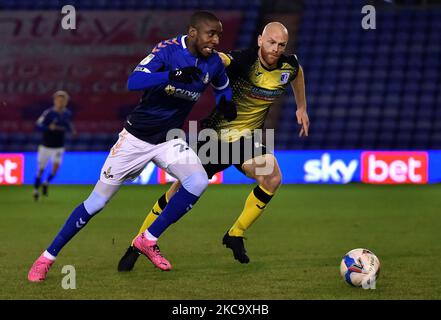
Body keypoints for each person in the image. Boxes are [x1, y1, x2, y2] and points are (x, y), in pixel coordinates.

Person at [28, 11, 236, 282]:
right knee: (96, 202)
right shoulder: (167, 51)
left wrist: (226, 102)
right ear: (193, 32)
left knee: (197, 182)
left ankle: (147, 240)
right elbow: (133, 81)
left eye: (219, 34)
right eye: (211, 34)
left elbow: (222, 86)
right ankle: (46, 258)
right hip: (135, 139)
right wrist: (171, 75)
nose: (216, 40)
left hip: (169, 138)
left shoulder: (214, 63)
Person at [117, 21, 309, 271]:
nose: (275, 49)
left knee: (272, 178)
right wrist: (192, 50)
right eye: (271, 42)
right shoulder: (243, 60)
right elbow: (220, 59)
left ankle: (235, 234)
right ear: (260, 40)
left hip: (247, 140)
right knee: (180, 191)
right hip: (215, 137)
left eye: (281, 45)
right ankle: (138, 243)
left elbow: (297, 73)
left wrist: (301, 106)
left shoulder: (288, 65)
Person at [33, 91, 75, 201]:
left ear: (66, 102)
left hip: (58, 146)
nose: (61, 102)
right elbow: (38, 125)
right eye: (59, 100)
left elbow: (67, 125)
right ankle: (36, 190)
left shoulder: (67, 114)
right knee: (41, 169)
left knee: (55, 168)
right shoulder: (48, 113)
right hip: (45, 146)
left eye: (63, 100)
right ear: (55, 101)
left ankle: (46, 182)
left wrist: (71, 130)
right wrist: (48, 128)